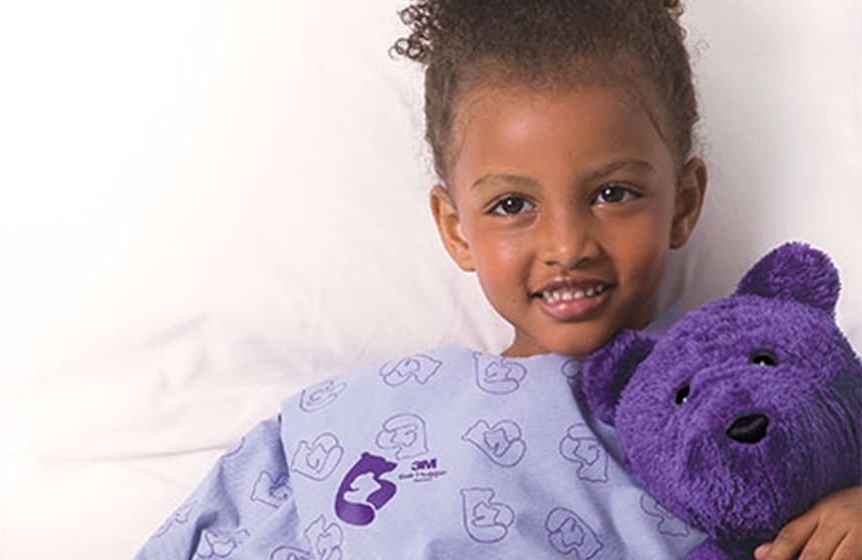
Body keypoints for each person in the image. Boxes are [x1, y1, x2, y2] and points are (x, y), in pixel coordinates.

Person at [135, 0, 860, 558]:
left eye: (612, 193)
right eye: (512, 205)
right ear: (455, 227)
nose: (567, 244)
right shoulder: (342, 417)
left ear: (685, 201)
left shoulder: (750, 401)